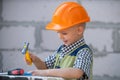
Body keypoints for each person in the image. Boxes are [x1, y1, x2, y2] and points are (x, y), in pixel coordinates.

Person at [25, 1, 93, 80]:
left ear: (79, 30)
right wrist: (36, 60)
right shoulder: (61, 50)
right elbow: (45, 67)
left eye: (64, 33)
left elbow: (77, 72)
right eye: (58, 33)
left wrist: (45, 73)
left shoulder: (84, 52)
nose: (60, 37)